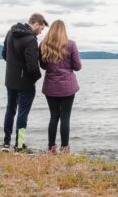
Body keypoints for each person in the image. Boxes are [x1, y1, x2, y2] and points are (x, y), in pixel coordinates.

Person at [1, 13, 48, 153]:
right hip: (25, 83)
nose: (41, 32)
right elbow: (33, 66)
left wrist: (14, 68)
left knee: (10, 110)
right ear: (36, 24)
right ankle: (19, 145)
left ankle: (6, 143)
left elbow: (4, 54)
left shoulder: (10, 33)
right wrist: (36, 77)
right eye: (41, 28)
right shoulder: (30, 40)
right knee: (22, 114)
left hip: (10, 80)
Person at [39, 20, 81, 154]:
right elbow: (77, 67)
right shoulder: (71, 44)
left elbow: (44, 66)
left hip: (50, 86)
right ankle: (65, 148)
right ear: (64, 30)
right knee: (65, 117)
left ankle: (51, 147)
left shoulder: (43, 45)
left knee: (54, 116)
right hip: (67, 86)